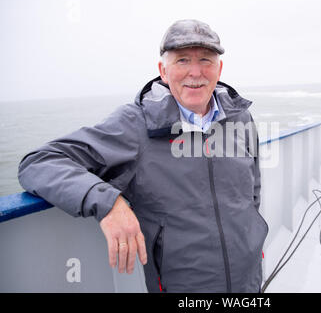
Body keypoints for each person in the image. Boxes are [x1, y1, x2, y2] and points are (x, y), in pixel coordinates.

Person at [18, 19, 268, 293]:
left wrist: (253, 239)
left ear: (219, 69)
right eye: (182, 60)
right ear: (163, 70)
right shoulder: (134, 124)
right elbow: (40, 162)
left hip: (250, 279)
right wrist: (109, 203)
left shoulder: (240, 117)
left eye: (206, 60)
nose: (195, 72)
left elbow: (252, 190)